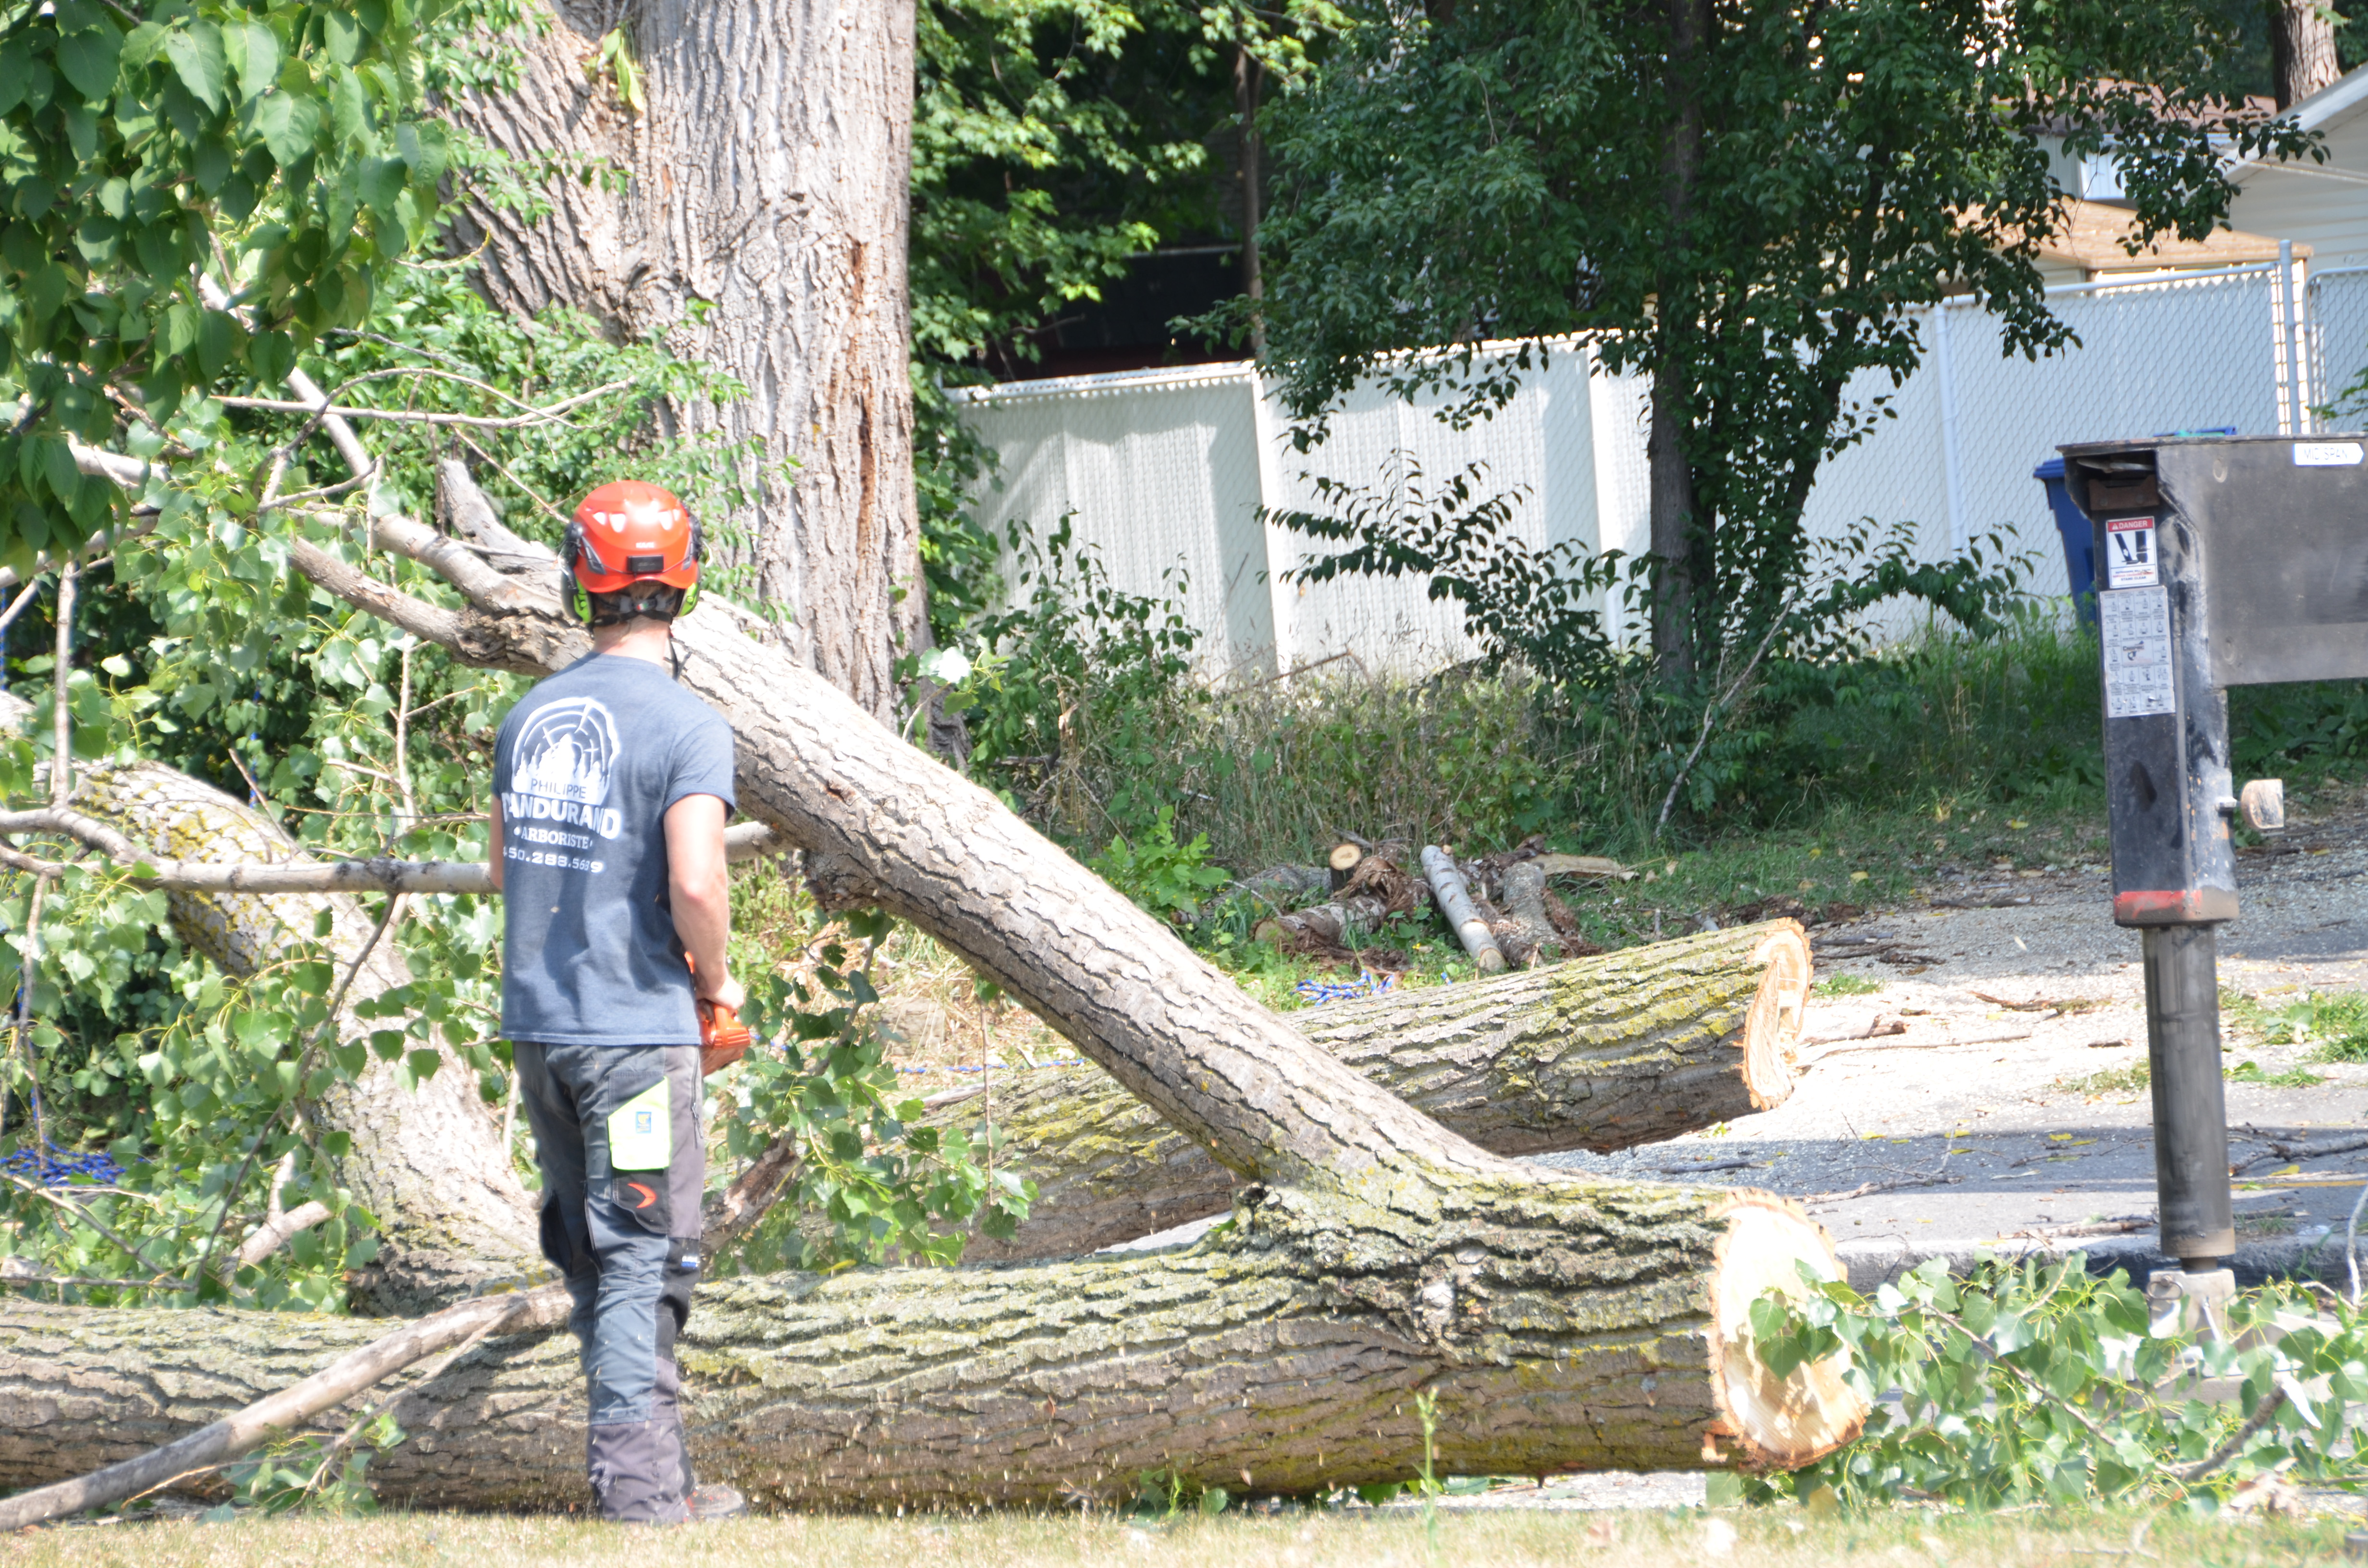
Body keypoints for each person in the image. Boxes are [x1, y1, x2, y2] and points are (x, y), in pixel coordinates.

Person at [487, 479, 750, 1525]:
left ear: (576, 582)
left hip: (544, 1031)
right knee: (646, 1247)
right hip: (634, 1041)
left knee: (595, 1250)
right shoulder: (689, 723)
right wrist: (718, 982)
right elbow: (695, 882)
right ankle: (639, 1497)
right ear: (684, 583)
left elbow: (509, 867)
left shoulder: (526, 715)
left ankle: (660, 1479)